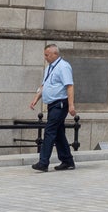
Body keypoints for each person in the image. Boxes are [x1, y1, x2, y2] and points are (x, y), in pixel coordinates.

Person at [28, 42, 77, 172]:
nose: (45, 57)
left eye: (47, 55)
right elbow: (44, 85)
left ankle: (43, 162)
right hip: (52, 105)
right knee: (58, 133)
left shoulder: (63, 67)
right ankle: (67, 161)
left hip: (60, 104)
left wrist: (71, 105)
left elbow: (70, 86)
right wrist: (36, 98)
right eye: (44, 55)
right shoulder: (49, 67)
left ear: (55, 54)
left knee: (49, 131)